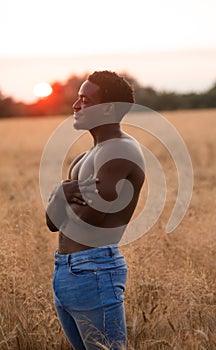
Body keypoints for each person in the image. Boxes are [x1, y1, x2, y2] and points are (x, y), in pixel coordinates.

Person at [46, 71, 145, 349]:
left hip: (95, 270)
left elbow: (92, 218)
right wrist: (59, 195)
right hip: (66, 272)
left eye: (85, 100)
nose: (76, 106)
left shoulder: (119, 151)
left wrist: (61, 195)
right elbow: (52, 222)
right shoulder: (84, 156)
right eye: (78, 99)